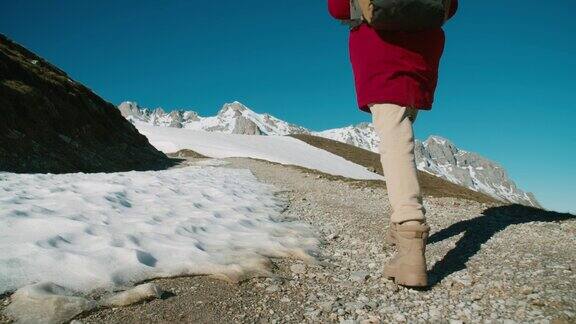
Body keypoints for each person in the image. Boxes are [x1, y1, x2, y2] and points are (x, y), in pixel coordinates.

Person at [327, 0, 458, 287]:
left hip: (380, 51)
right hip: (422, 54)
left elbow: (338, 8)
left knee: (394, 139)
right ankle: (397, 224)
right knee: (401, 128)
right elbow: (449, 8)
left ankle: (410, 238)